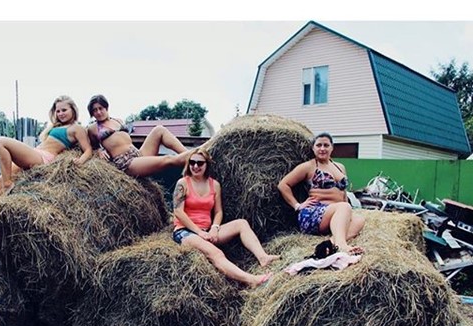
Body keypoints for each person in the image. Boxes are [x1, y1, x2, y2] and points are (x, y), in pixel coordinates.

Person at [172, 148, 280, 288]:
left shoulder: (214, 185)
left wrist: (214, 228)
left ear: (207, 165)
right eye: (192, 162)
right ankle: (251, 280)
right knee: (216, 253)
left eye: (200, 163)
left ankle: (263, 257)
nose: (195, 166)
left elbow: (218, 212)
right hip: (186, 232)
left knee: (241, 223)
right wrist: (199, 232)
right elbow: (178, 212)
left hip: (207, 230)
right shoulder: (183, 183)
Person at [0, 95, 92, 200]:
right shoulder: (57, 126)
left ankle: (8, 185)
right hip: (36, 152)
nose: (60, 114)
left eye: (64, 110)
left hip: (43, 158)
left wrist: (80, 161)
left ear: (73, 110)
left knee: (1, 142)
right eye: (58, 111)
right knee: (0, 181)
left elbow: (88, 150)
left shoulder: (76, 128)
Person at [277, 132, 365, 254]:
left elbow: (343, 192)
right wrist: (297, 205)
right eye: (319, 145)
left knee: (359, 220)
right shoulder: (308, 166)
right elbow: (283, 185)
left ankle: (330, 244)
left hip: (336, 213)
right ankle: (341, 246)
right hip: (314, 213)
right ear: (313, 148)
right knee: (344, 207)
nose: (322, 148)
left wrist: (347, 213)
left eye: (326, 145)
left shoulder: (340, 167)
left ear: (332, 148)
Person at [87, 94, 190, 176]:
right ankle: (191, 158)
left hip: (138, 154)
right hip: (127, 163)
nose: (98, 112)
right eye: (94, 110)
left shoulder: (118, 120)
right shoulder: (93, 128)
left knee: (159, 130)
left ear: (106, 107)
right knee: (168, 159)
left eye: (100, 108)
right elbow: (91, 145)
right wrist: (99, 150)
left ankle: (191, 155)